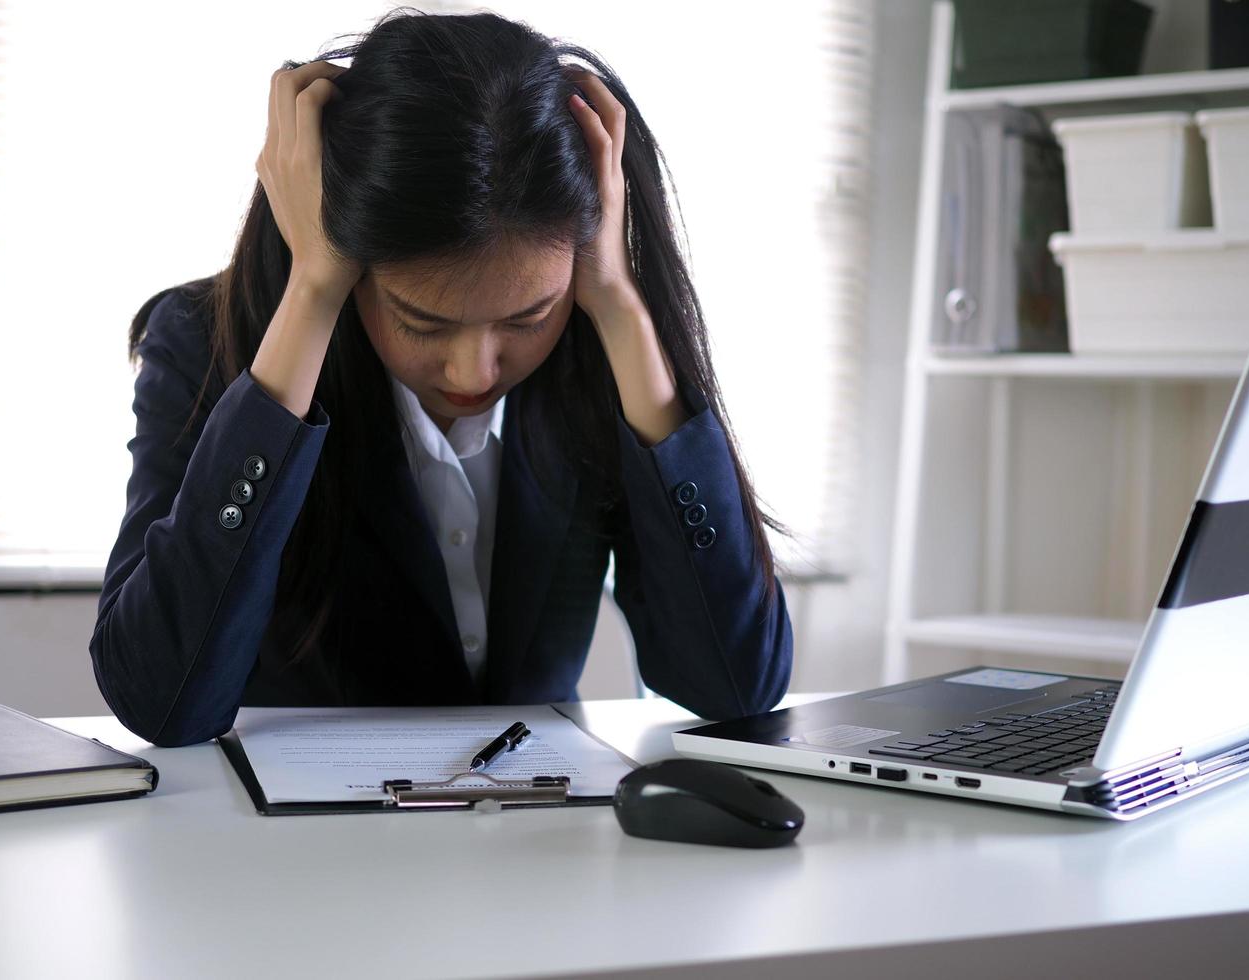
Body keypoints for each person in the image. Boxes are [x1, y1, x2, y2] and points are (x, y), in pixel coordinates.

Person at [90, 7, 793, 748]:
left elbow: (736, 687)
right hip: (290, 853)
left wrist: (621, 307)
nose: (474, 370)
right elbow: (159, 700)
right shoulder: (206, 343)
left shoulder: (599, 357)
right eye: (422, 321)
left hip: (537, 843)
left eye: (527, 318)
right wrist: (312, 291)